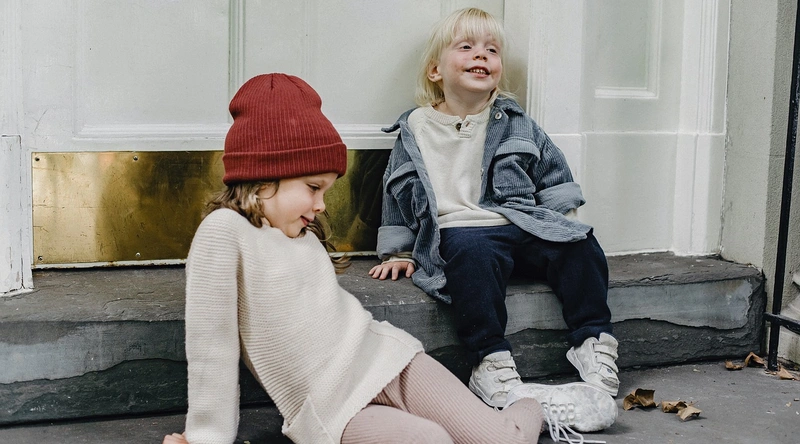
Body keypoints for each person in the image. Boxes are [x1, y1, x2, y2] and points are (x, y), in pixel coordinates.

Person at [161, 73, 616, 444]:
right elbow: (211, 346)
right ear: (264, 176)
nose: (321, 205)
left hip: (388, 360)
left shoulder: (300, 233)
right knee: (430, 440)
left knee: (503, 440)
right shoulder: (225, 232)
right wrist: (206, 437)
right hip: (334, 408)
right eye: (313, 188)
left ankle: (532, 405)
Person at [369, 7, 620, 410]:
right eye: (466, 47)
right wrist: (399, 251)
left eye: (491, 50)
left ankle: (592, 340)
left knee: (580, 245)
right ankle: (490, 360)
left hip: (520, 222)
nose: (481, 55)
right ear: (435, 71)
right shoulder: (415, 128)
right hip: (460, 233)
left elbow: (552, 171)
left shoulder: (516, 122)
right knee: (474, 255)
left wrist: (560, 225)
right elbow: (396, 188)